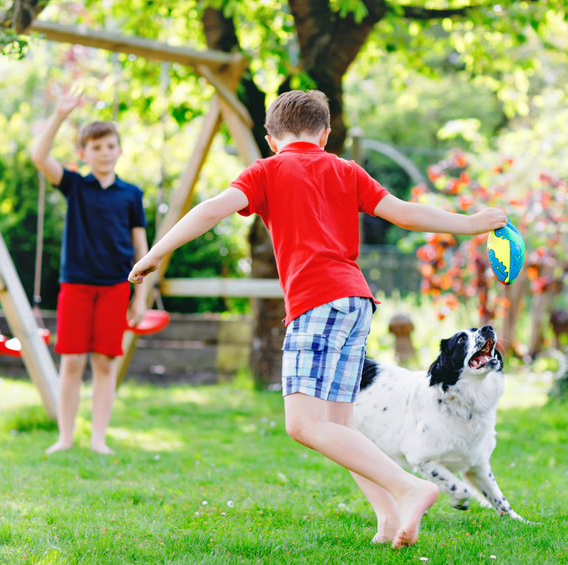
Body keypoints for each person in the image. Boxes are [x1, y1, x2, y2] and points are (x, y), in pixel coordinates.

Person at [128, 90, 507, 547]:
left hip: (317, 303)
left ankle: (410, 489)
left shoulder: (266, 171)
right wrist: (474, 221)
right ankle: (388, 517)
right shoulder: (345, 169)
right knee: (340, 426)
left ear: (270, 139)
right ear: (325, 134)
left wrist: (154, 253)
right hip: (355, 302)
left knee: (303, 424)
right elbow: (405, 214)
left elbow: (211, 210)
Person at [32, 89, 150, 455]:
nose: (104, 152)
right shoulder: (75, 186)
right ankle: (65, 438)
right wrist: (60, 115)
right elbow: (38, 156)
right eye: (96, 147)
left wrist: (141, 296)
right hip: (76, 286)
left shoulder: (131, 194)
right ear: (83, 154)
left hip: (116, 288)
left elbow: (141, 248)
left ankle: (98, 439)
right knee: (72, 363)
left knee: (104, 364)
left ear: (119, 150)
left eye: (110, 146)